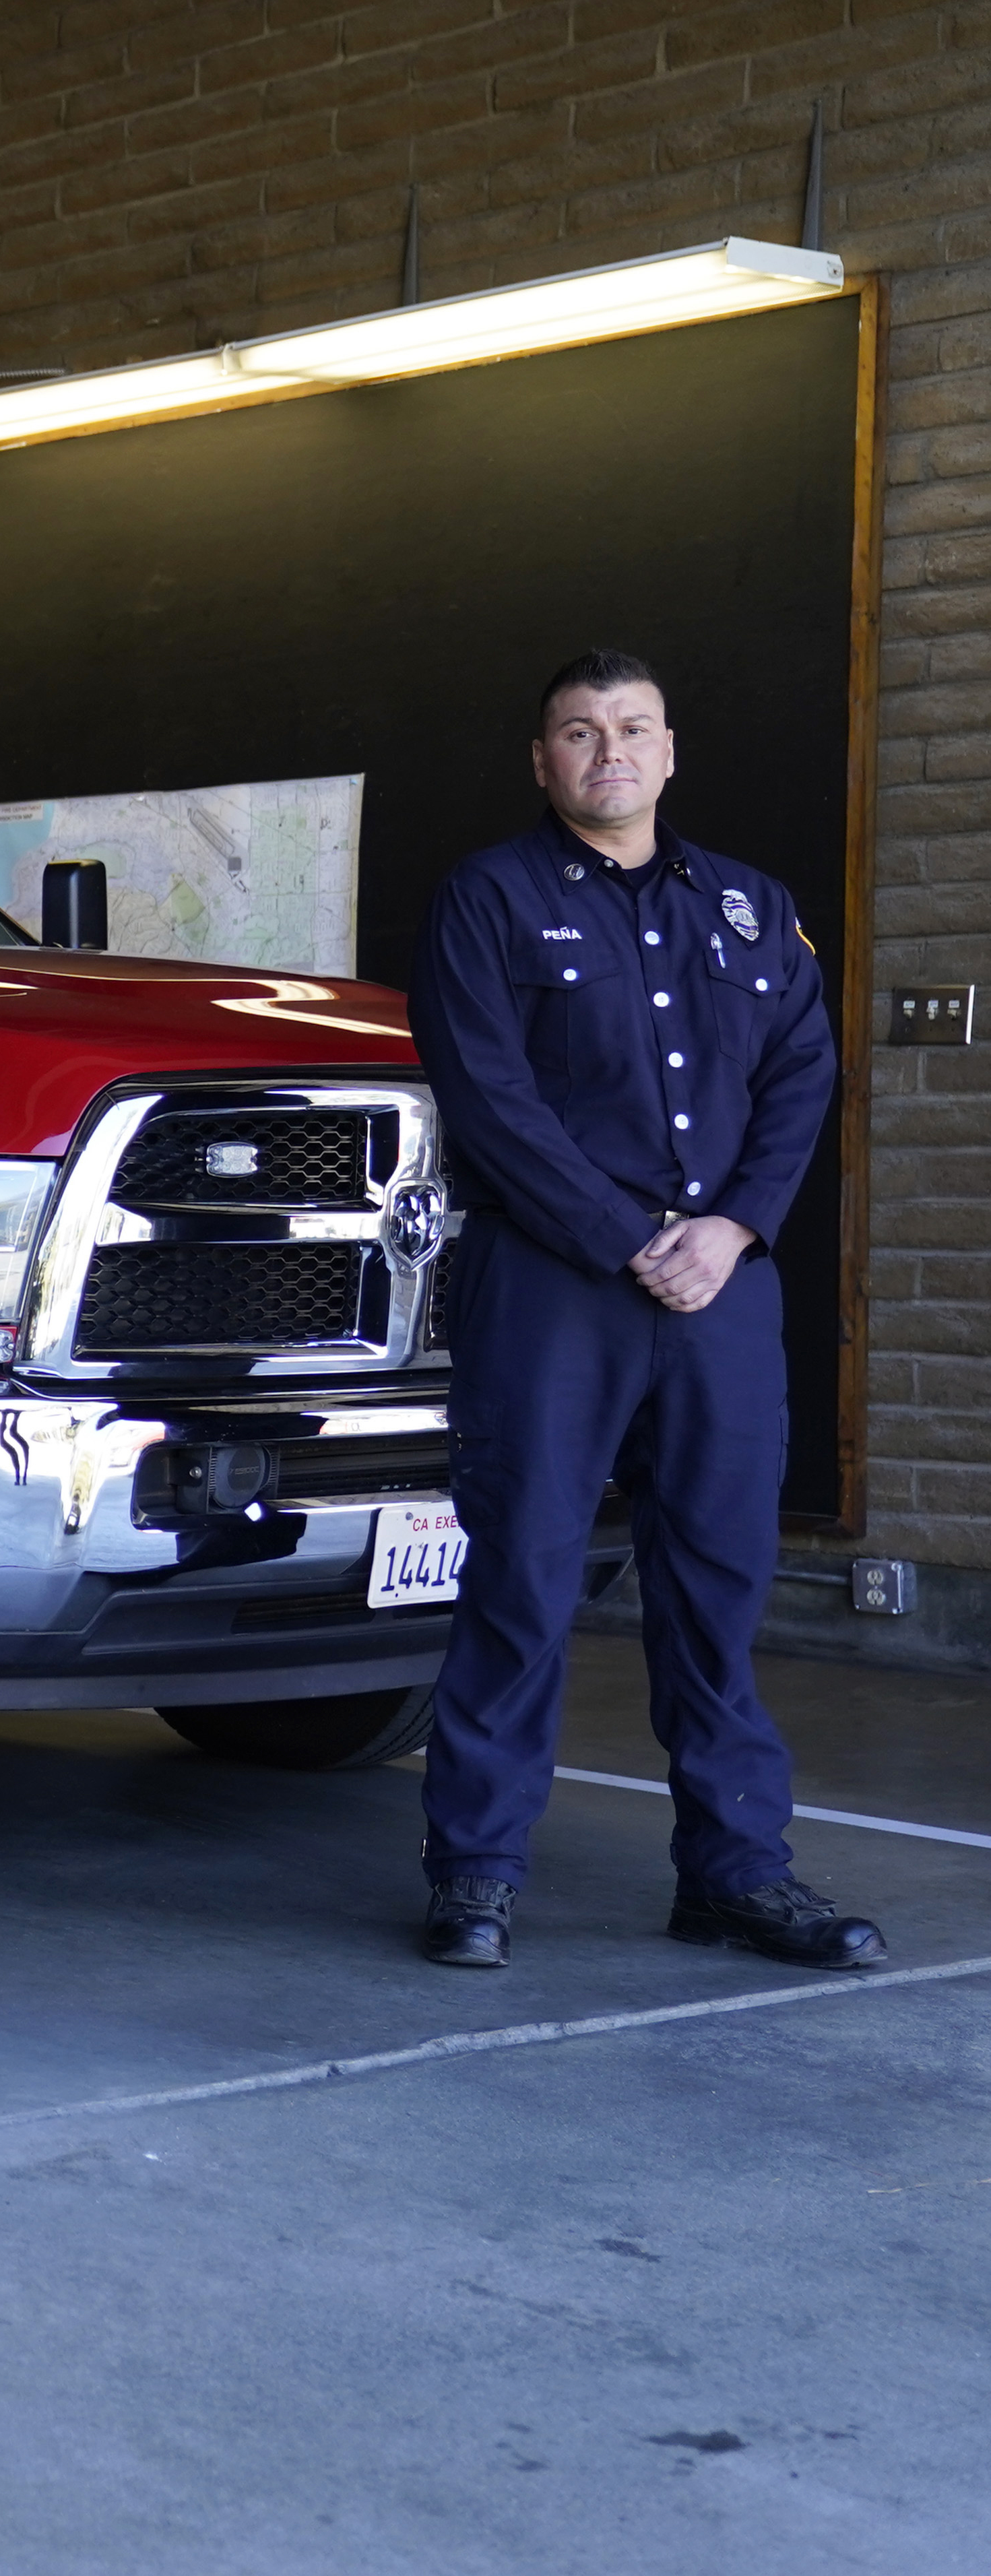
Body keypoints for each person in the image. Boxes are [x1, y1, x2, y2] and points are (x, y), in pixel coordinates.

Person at [404, 650, 881, 1972]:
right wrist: (628, 1240)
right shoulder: (485, 901)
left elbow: (801, 1074)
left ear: (668, 752)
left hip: (720, 1293)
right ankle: (477, 1875)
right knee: (523, 1580)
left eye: (629, 728)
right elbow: (490, 1100)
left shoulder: (746, 907)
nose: (605, 750)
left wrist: (727, 1230)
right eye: (574, 731)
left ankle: (734, 1876)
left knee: (720, 1594)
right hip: (554, 1293)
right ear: (540, 762)